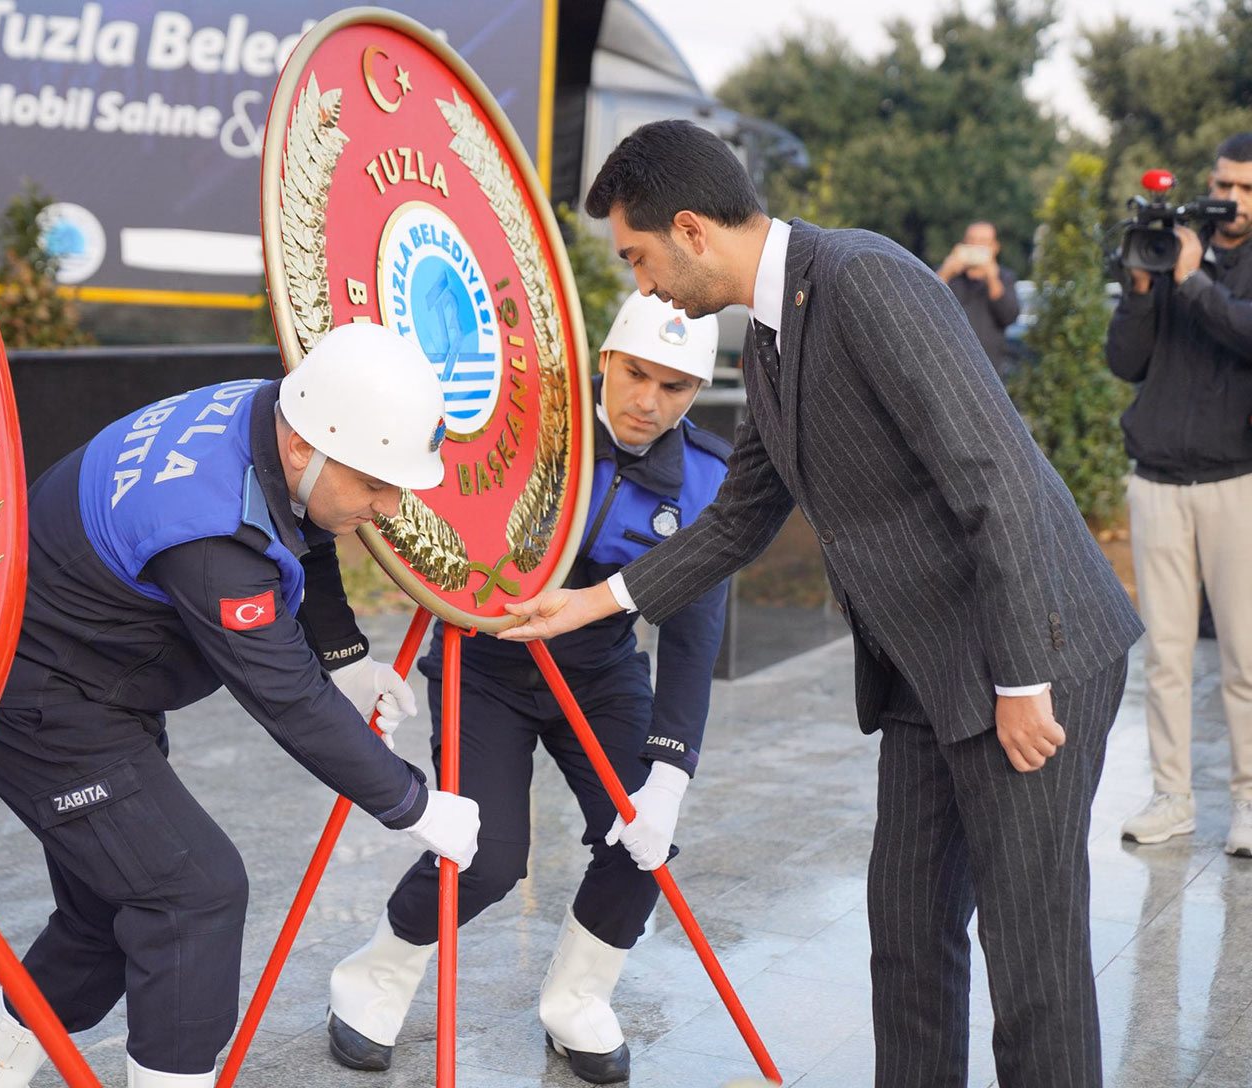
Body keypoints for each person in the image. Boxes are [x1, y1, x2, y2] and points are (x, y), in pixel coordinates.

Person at [500, 120, 1143, 1088]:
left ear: (689, 228)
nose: (643, 286)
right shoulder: (766, 333)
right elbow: (737, 519)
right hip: (929, 670)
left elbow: (993, 478)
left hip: (1030, 651)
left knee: (1033, 964)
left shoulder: (862, 279)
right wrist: (594, 602)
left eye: (637, 256)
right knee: (906, 935)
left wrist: (1020, 677)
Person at [0, 323, 481, 1088]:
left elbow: (307, 526)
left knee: (103, 916)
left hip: (86, 670)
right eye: (376, 483)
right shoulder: (209, 537)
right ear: (306, 446)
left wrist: (347, 660)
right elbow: (284, 697)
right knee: (189, 898)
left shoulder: (271, 414)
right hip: (45, 700)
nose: (389, 506)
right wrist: (412, 804)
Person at [324, 291, 731, 1085]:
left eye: (675, 386)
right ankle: (372, 979)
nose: (648, 401)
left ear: (697, 391)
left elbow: (693, 632)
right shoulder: (526, 427)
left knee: (641, 843)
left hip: (602, 670)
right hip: (488, 665)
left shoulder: (707, 479)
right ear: (603, 361)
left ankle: (576, 1002)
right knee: (483, 854)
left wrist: (671, 772)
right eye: (635, 373)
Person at [1107, 132, 1252, 857]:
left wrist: (1194, 281)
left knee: (1245, 656)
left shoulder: (1207, 265)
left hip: (1237, 482)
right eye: (1227, 184)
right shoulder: (1170, 247)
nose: (1233, 200)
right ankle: (1173, 796)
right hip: (1159, 480)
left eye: (1249, 190)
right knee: (1165, 654)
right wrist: (1142, 285)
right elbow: (1125, 361)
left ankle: (1250, 800)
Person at [936, 221, 1021, 375]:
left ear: (995, 247)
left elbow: (1009, 316)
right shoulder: (947, 277)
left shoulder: (1004, 278)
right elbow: (925, 304)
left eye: (982, 242)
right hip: (947, 364)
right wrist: (946, 272)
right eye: (971, 241)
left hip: (989, 368)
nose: (976, 246)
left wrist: (992, 279)